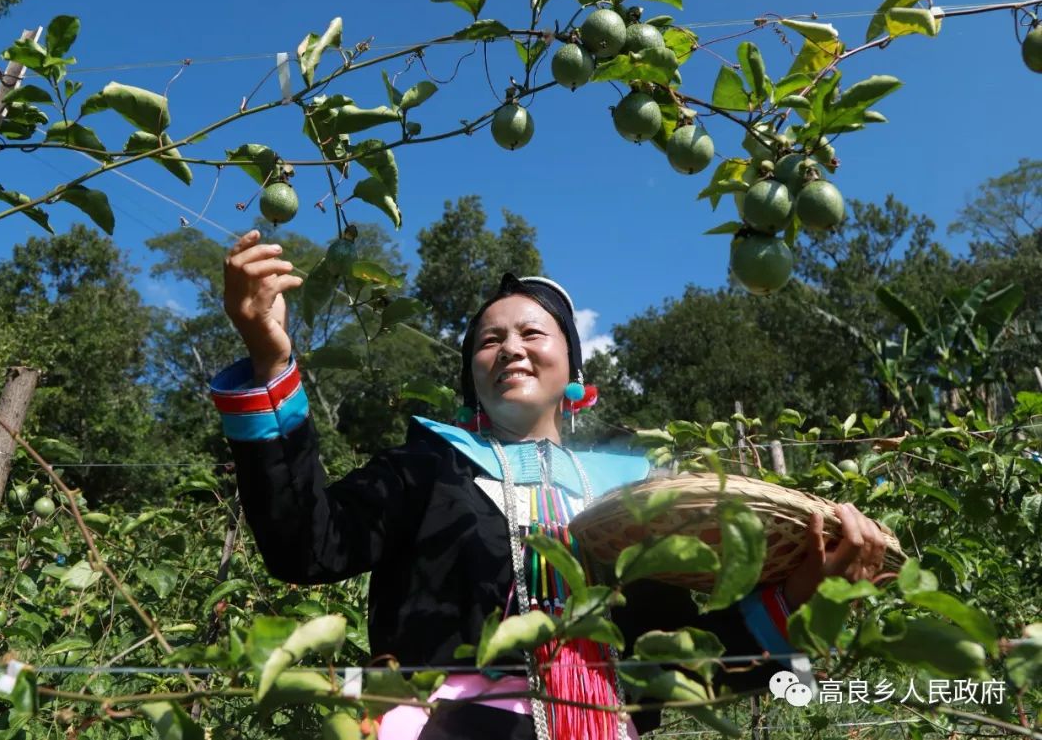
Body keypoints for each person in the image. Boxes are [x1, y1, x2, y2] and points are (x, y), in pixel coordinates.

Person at [211, 229, 888, 740]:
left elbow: (690, 657)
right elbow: (307, 544)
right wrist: (271, 360)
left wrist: (806, 591)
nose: (511, 347)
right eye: (489, 339)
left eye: (533, 331)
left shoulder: (638, 501)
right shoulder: (426, 469)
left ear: (573, 372)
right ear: (471, 376)